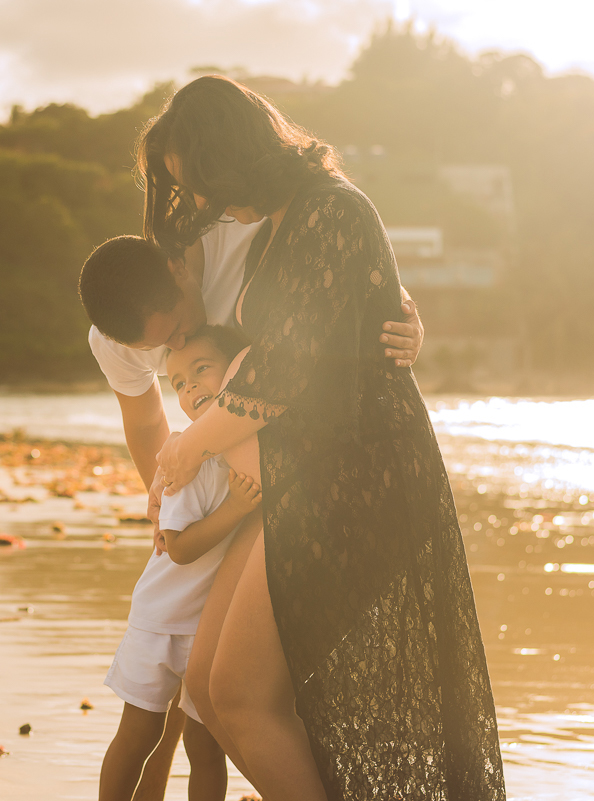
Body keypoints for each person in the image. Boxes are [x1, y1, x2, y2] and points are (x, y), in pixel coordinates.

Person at [146, 75, 506, 800]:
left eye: (208, 182)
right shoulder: (274, 222)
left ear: (238, 153)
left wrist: (192, 445)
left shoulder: (330, 208)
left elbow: (287, 364)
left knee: (242, 695)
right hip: (303, 473)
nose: (209, 203)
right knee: (212, 691)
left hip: (359, 472)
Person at [80, 220, 424, 798]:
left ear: (178, 273)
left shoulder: (240, 260)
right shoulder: (115, 341)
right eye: (160, 350)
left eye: (182, 328)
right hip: (217, 519)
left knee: (213, 715)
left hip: (282, 485)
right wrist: (175, 504)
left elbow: (352, 284)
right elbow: (144, 420)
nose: (178, 344)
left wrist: (412, 321)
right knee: (152, 722)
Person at [99, 325, 259, 801]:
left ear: (236, 372)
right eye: (179, 385)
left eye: (201, 371)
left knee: (205, 746)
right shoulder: (188, 460)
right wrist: (234, 509)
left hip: (210, 629)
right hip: (163, 622)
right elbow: (180, 548)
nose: (190, 390)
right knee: (140, 733)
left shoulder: (243, 453)